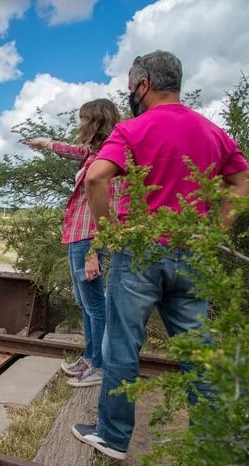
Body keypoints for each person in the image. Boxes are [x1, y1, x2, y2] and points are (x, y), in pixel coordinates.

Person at [72, 50, 249, 460]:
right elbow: (242, 183)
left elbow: (97, 177)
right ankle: (214, 440)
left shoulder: (134, 129)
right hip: (193, 252)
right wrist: (212, 230)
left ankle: (113, 437)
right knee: (198, 350)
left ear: (143, 84)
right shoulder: (212, 131)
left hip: (142, 251)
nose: (130, 93)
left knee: (122, 346)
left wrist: (108, 233)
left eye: (132, 85)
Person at [26, 98, 121, 388]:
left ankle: (100, 365)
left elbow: (109, 202)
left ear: (95, 121)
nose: (79, 124)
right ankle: (91, 357)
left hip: (89, 237)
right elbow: (76, 150)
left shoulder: (111, 156)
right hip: (77, 234)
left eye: (83, 119)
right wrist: (47, 144)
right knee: (84, 301)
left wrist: (95, 249)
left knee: (95, 304)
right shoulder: (95, 152)